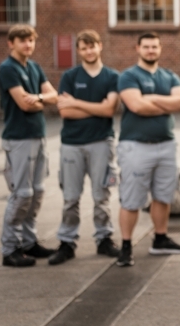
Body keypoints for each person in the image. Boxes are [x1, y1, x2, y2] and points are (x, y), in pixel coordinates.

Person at [49, 30, 121, 265]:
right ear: (78, 51)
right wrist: (95, 107)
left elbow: (109, 110)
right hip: (72, 144)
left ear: (100, 46)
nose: (89, 51)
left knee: (102, 195)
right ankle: (67, 242)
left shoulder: (112, 76)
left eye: (92, 46)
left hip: (101, 142)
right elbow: (64, 111)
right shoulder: (70, 76)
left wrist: (77, 103)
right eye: (84, 47)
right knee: (70, 197)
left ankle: (104, 239)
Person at [115, 32, 180, 267]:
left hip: (166, 145)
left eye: (154, 46)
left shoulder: (170, 76)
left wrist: (151, 99)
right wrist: (165, 103)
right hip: (136, 146)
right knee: (131, 199)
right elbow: (136, 106)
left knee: (163, 196)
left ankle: (160, 238)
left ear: (160, 48)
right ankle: (126, 246)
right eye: (146, 47)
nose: (150, 50)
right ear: (137, 48)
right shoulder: (128, 76)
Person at [0, 24, 58, 267]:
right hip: (18, 138)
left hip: (38, 135)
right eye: (22, 40)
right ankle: (10, 248)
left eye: (31, 40)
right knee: (22, 194)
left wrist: (40, 98)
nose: (27, 44)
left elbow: (54, 95)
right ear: (11, 43)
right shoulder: (7, 69)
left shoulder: (34, 67)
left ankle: (29, 242)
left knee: (38, 193)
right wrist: (42, 100)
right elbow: (24, 104)